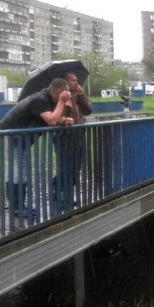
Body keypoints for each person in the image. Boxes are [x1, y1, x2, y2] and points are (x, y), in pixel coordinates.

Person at [0, 78, 73, 219]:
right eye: (67, 92)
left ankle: (21, 207)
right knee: (17, 170)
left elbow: (53, 118)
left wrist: (63, 120)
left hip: (22, 137)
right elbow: (51, 121)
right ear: (59, 92)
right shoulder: (39, 100)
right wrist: (62, 102)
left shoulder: (49, 100)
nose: (69, 94)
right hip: (12, 135)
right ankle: (16, 208)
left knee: (23, 171)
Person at [56, 72, 92, 209]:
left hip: (78, 136)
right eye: (73, 81)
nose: (76, 83)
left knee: (76, 167)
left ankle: (69, 197)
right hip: (65, 137)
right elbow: (57, 118)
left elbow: (89, 110)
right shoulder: (61, 97)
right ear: (65, 82)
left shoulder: (77, 96)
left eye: (77, 80)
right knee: (65, 168)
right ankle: (62, 197)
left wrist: (82, 95)